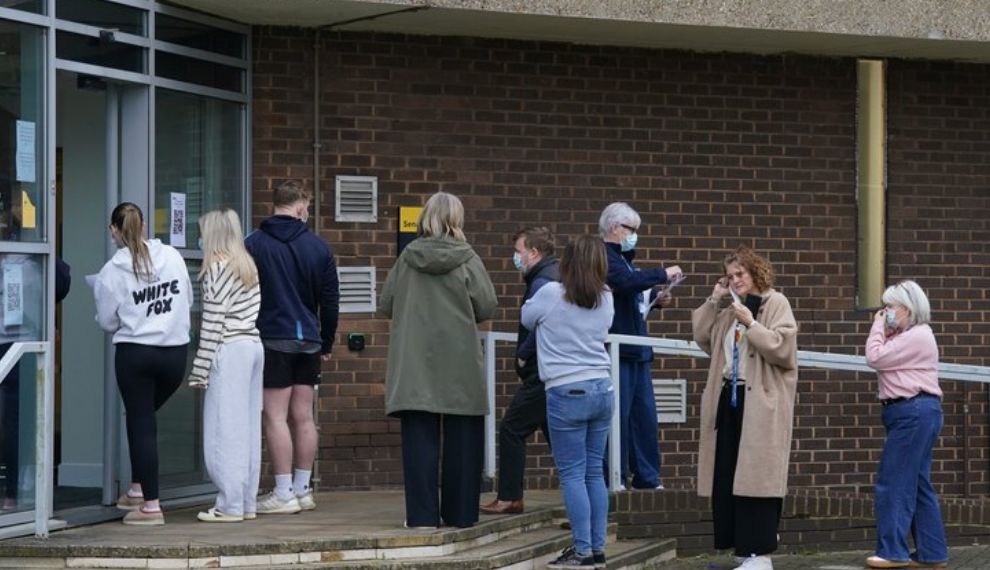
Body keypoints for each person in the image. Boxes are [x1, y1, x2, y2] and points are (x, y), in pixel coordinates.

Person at [380, 191, 497, 529]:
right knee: (464, 441)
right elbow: (486, 306)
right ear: (456, 219)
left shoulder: (407, 258)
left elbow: (386, 303)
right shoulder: (468, 258)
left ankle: (422, 517)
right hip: (459, 361)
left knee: (419, 443)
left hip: (414, 362)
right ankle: (461, 515)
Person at [691, 245, 798, 570]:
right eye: (730, 276)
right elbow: (702, 337)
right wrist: (715, 298)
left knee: (757, 477)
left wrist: (752, 323)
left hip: (760, 403)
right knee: (727, 474)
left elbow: (782, 349)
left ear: (756, 273)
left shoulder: (774, 303)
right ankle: (741, 549)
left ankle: (760, 553)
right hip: (729, 399)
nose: (735, 280)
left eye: (741, 274)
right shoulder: (730, 309)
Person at [93, 202, 192, 526]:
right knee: (143, 421)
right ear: (145, 225)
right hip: (175, 353)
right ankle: (137, 489)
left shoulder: (111, 272)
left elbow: (107, 322)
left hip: (136, 354)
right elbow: (188, 299)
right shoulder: (173, 257)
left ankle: (151, 506)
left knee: (141, 424)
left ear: (114, 231)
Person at [245, 180, 340, 515]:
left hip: (272, 337)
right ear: (300, 207)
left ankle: (283, 491)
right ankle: (303, 490)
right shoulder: (319, 248)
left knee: (274, 416)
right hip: (309, 341)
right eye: (309, 208)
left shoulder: (253, 244)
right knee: (303, 416)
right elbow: (330, 302)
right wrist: (326, 340)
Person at [521, 235, 615, 568]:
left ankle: (583, 551)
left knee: (573, 475)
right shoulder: (607, 297)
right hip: (603, 388)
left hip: (566, 390)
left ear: (568, 263)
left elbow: (527, 320)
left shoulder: (549, 293)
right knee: (594, 474)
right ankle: (598, 549)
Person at [863, 280, 948, 569]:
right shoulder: (908, 335)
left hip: (911, 412)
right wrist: (888, 329)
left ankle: (892, 552)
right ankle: (932, 554)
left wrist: (877, 328)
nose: (885, 312)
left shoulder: (917, 336)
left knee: (893, 482)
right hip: (916, 412)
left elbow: (875, 357)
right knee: (918, 484)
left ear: (908, 309)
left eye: (891, 307)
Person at [188, 209, 264, 523]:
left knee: (223, 430)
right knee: (246, 429)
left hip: (230, 349)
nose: (200, 237)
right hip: (253, 346)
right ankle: (245, 502)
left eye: (203, 231)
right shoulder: (246, 265)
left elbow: (212, 324)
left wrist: (199, 369)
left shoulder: (217, 269)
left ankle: (229, 504)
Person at [599, 202, 681, 490]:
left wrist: (656, 297)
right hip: (619, 352)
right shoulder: (604, 257)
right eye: (631, 230)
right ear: (614, 228)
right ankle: (616, 478)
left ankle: (647, 477)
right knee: (618, 419)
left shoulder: (624, 259)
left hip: (637, 350)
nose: (635, 236)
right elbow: (623, 283)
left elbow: (633, 293)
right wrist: (661, 275)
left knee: (643, 418)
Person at [480, 227, 558, 516]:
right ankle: (588, 510)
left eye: (519, 251)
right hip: (551, 370)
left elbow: (539, 326)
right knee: (561, 441)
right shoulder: (553, 275)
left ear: (534, 252)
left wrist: (524, 356)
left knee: (512, 428)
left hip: (541, 371)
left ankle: (510, 497)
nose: (517, 257)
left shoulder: (543, 282)